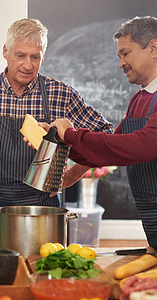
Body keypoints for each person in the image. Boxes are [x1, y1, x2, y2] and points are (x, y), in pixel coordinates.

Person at [0, 18, 114, 246]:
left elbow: (106, 137)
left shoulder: (60, 94)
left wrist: (73, 175)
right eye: (20, 55)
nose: (28, 65)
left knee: (42, 278)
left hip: (43, 211)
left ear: (43, 56)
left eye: (35, 57)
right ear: (6, 51)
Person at [47, 16, 157, 250]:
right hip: (150, 217)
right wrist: (56, 137)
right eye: (119, 56)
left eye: (125, 53)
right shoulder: (139, 99)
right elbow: (111, 149)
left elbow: (145, 146)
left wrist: (71, 135)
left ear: (153, 48)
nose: (120, 64)